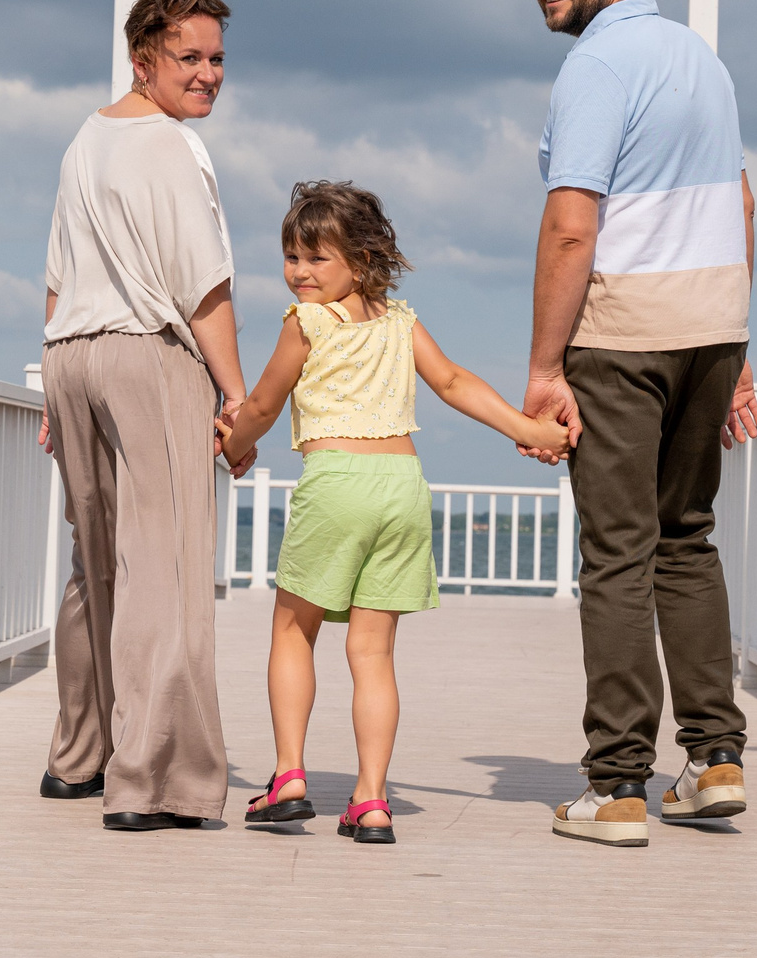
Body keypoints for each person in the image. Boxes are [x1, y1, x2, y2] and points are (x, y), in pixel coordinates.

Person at [517, 0, 757, 848]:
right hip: (711, 327)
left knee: (616, 553)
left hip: (624, 338)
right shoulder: (703, 62)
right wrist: (738, 348)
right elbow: (740, 206)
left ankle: (617, 784)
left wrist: (545, 368)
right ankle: (714, 761)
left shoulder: (598, 64)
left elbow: (572, 223)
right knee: (686, 540)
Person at [221, 182, 568, 845]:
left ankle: (289, 777)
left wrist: (234, 447)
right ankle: (372, 800)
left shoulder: (307, 325)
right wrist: (531, 430)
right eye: (292, 257)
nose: (299, 272)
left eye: (317, 258)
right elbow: (454, 382)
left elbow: (263, 404)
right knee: (374, 652)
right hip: (403, 487)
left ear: (364, 258)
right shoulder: (401, 323)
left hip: (337, 484)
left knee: (294, 632)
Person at [37, 0, 250, 833]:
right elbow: (204, 288)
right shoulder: (171, 144)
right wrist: (237, 397)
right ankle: (152, 777)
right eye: (187, 57)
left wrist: (56, 387)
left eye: (217, 58)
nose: (206, 73)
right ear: (142, 61)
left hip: (71, 356)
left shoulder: (85, 140)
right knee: (164, 569)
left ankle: (77, 756)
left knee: (99, 562)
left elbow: (55, 279)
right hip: (143, 355)